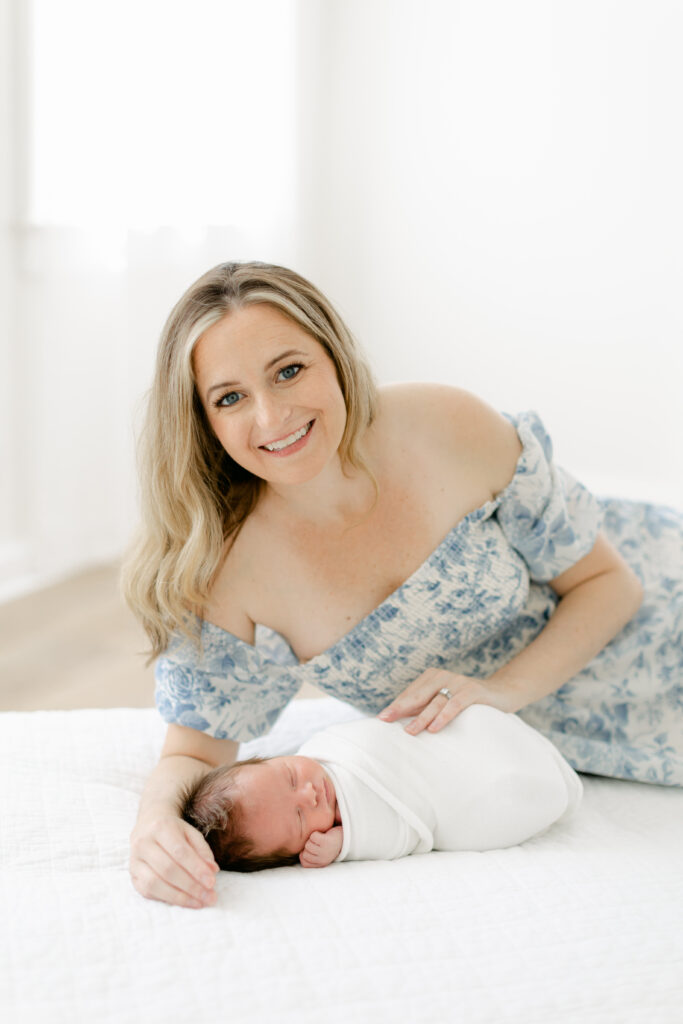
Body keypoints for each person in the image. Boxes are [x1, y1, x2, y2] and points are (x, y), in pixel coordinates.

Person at [123, 260, 683, 911]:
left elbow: (608, 583)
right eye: (230, 397)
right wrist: (155, 822)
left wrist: (498, 692)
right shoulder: (226, 575)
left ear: (333, 355)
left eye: (289, 369)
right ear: (202, 421)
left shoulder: (445, 423)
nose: (272, 415)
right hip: (581, 741)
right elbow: (196, 746)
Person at [179, 705, 583, 871]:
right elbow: (401, 831)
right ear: (299, 850)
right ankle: (532, 784)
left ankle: (519, 752)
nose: (309, 793)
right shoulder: (353, 824)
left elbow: (383, 738)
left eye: (289, 776)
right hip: (445, 796)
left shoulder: (329, 747)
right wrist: (345, 844)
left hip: (439, 747)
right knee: (492, 799)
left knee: (475, 724)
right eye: (300, 818)